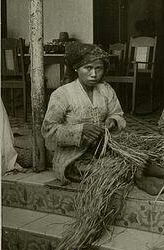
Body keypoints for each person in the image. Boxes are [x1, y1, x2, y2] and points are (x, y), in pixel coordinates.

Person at [42, 43, 126, 184]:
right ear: (76, 68)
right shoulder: (62, 94)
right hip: (72, 157)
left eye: (98, 68)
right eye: (88, 68)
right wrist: (80, 130)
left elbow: (117, 114)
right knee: (113, 171)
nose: (94, 74)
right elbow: (48, 131)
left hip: (102, 149)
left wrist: (113, 121)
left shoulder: (106, 89)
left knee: (133, 162)